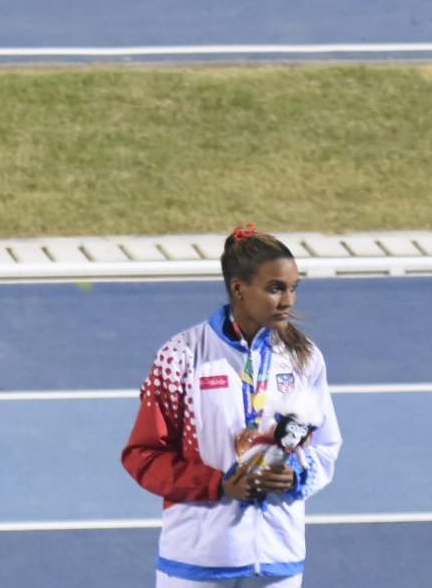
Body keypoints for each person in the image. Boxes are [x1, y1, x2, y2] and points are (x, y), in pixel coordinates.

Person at [121, 225, 343, 587]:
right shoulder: (182, 356)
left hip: (278, 561)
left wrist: (297, 477)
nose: (288, 300)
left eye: (292, 288)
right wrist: (218, 484)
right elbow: (143, 455)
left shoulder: (304, 358)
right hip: (196, 562)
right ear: (239, 288)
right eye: (275, 288)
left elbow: (325, 447)